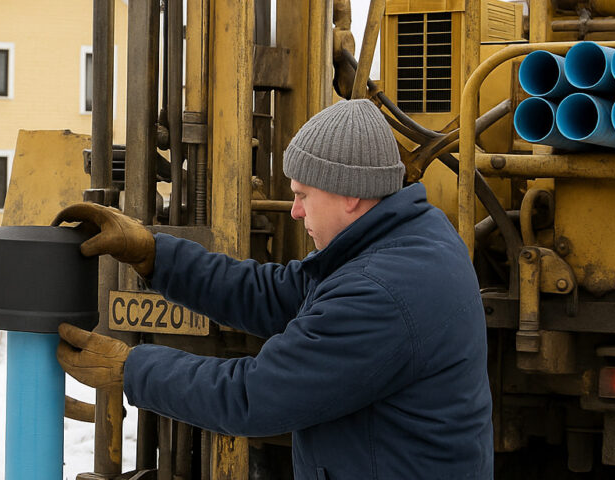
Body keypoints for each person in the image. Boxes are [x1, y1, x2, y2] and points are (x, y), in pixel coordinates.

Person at [53, 99, 494, 479]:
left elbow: (252, 396)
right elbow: (276, 293)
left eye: (304, 195)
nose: (296, 212)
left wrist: (131, 370)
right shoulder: (405, 238)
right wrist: (155, 254)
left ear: (351, 196)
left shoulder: (383, 290)